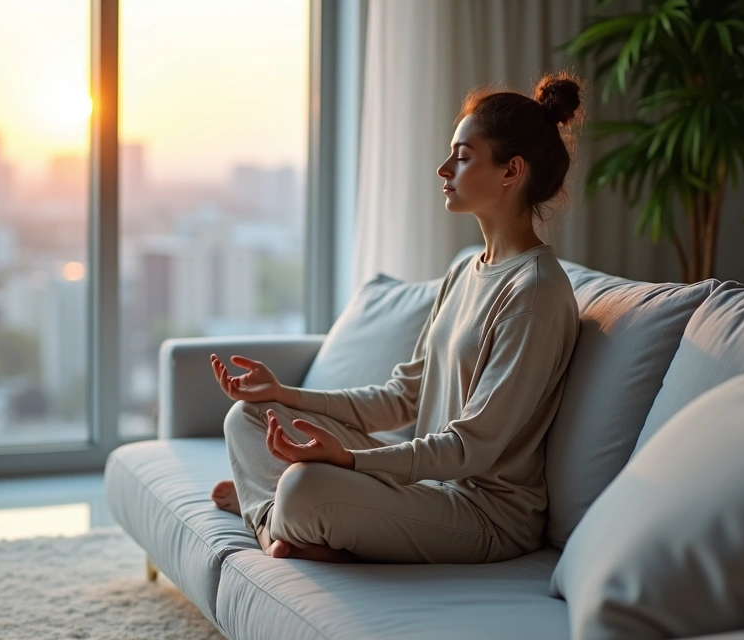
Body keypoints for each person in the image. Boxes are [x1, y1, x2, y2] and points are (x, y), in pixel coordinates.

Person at [210, 72, 583, 564]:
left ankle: (273, 510)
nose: (443, 168)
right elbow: (401, 398)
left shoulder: (534, 295)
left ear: (511, 171)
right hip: (428, 485)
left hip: (483, 513)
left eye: (464, 156)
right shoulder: (467, 271)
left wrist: (347, 461)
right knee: (250, 416)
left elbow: (470, 449)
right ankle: (277, 519)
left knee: (304, 487)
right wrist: (282, 394)